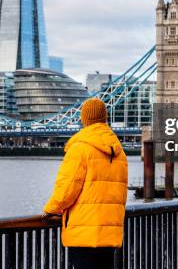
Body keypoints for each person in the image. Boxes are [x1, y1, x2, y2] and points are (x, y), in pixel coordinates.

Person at [42, 97, 128, 269]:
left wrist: (50, 209)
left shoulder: (80, 149)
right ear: (105, 118)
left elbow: (66, 189)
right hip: (109, 234)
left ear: (84, 119)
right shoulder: (119, 153)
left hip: (84, 233)